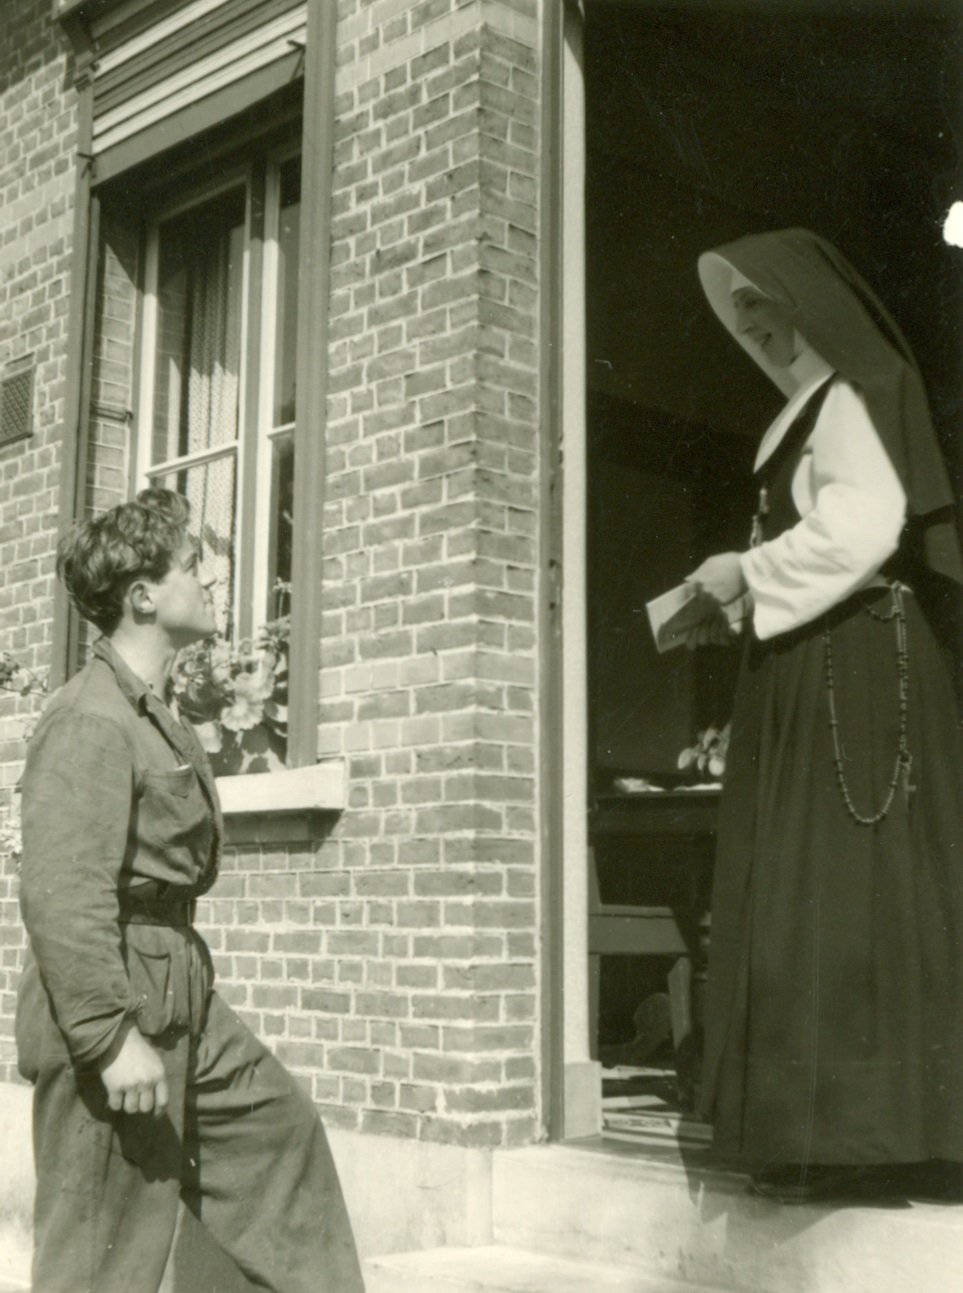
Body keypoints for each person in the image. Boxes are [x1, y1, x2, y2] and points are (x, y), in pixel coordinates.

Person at [15, 489, 365, 1291]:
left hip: (179, 991)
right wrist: (108, 1038)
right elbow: (62, 894)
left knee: (281, 1137)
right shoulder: (88, 719)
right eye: (190, 568)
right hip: (112, 996)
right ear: (142, 596)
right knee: (107, 1247)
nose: (209, 581)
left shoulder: (154, 716)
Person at [685, 228, 963, 1203]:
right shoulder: (799, 414)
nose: (754, 327)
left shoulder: (846, 400)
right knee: (816, 886)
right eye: (741, 315)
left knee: (851, 887)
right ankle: (830, 1138)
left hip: (853, 670)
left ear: (809, 305)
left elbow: (866, 525)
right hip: (810, 661)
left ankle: (872, 1142)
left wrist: (746, 570)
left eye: (767, 306)